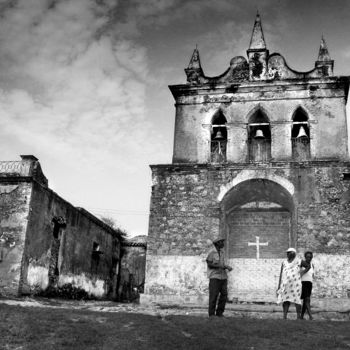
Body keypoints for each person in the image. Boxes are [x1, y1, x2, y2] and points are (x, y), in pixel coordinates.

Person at [277, 247, 308, 319]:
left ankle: (298, 317)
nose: (287, 254)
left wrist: (302, 272)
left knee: (297, 300)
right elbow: (281, 274)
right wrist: (279, 286)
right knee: (285, 300)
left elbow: (308, 266)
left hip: (295, 285)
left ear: (293, 254)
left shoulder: (298, 261)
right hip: (285, 285)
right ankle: (284, 316)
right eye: (287, 253)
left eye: (289, 253)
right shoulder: (284, 263)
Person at [206, 237, 232, 317]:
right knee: (213, 296)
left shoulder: (222, 252)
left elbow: (222, 264)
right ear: (217, 243)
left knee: (224, 295)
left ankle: (219, 313)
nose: (223, 243)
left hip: (223, 277)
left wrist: (226, 266)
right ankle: (211, 315)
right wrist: (220, 266)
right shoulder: (211, 252)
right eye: (221, 242)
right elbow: (209, 264)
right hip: (214, 277)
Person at [301, 251, 314, 320]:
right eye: (307, 257)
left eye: (310, 257)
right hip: (303, 283)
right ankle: (311, 316)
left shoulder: (312, 264)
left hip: (309, 283)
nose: (309, 258)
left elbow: (312, 274)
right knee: (307, 299)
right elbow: (300, 273)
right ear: (305, 257)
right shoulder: (302, 263)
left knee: (306, 300)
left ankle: (301, 316)